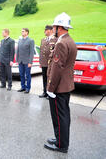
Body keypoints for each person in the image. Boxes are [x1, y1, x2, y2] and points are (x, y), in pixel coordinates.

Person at [44, 12, 77, 153]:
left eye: (55, 27)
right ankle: (59, 138)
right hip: (65, 85)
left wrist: (50, 88)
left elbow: (57, 68)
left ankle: (61, 145)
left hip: (59, 87)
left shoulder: (62, 43)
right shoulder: (70, 40)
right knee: (63, 115)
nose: (53, 29)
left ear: (59, 27)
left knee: (59, 116)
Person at [39, 25, 57, 98]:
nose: (44, 31)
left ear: (50, 30)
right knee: (44, 78)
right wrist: (40, 62)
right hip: (44, 63)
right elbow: (41, 51)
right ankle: (44, 92)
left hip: (51, 63)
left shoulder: (55, 39)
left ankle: (50, 92)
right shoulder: (43, 40)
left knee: (50, 79)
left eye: (45, 30)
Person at [16, 28, 34, 94]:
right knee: (21, 75)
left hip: (27, 62)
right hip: (20, 61)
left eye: (23, 31)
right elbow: (17, 51)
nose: (22, 32)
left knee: (27, 75)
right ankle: (23, 87)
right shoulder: (20, 40)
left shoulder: (30, 40)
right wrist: (17, 60)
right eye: (21, 31)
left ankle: (28, 88)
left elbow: (31, 52)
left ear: (27, 32)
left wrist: (30, 62)